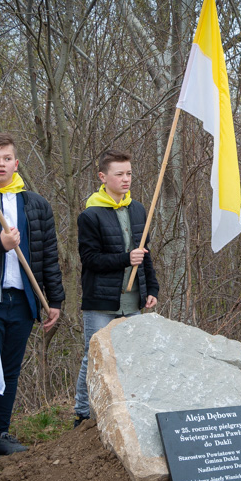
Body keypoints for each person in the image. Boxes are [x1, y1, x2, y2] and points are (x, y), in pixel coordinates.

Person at [0, 133, 65, 468]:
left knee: (10, 371)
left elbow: (48, 257)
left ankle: (1, 434)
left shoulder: (36, 204)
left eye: (7, 158)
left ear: (16, 162)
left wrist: (54, 301)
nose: (1, 164)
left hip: (23, 299)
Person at [73, 150, 159, 427]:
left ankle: (129, 409)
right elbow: (89, 260)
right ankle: (83, 412)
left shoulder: (138, 209)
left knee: (133, 355)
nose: (126, 179)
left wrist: (151, 288)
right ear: (103, 176)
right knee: (94, 355)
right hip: (101, 300)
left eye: (129, 173)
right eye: (119, 174)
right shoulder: (90, 214)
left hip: (133, 300)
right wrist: (125, 259)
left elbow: (145, 253)